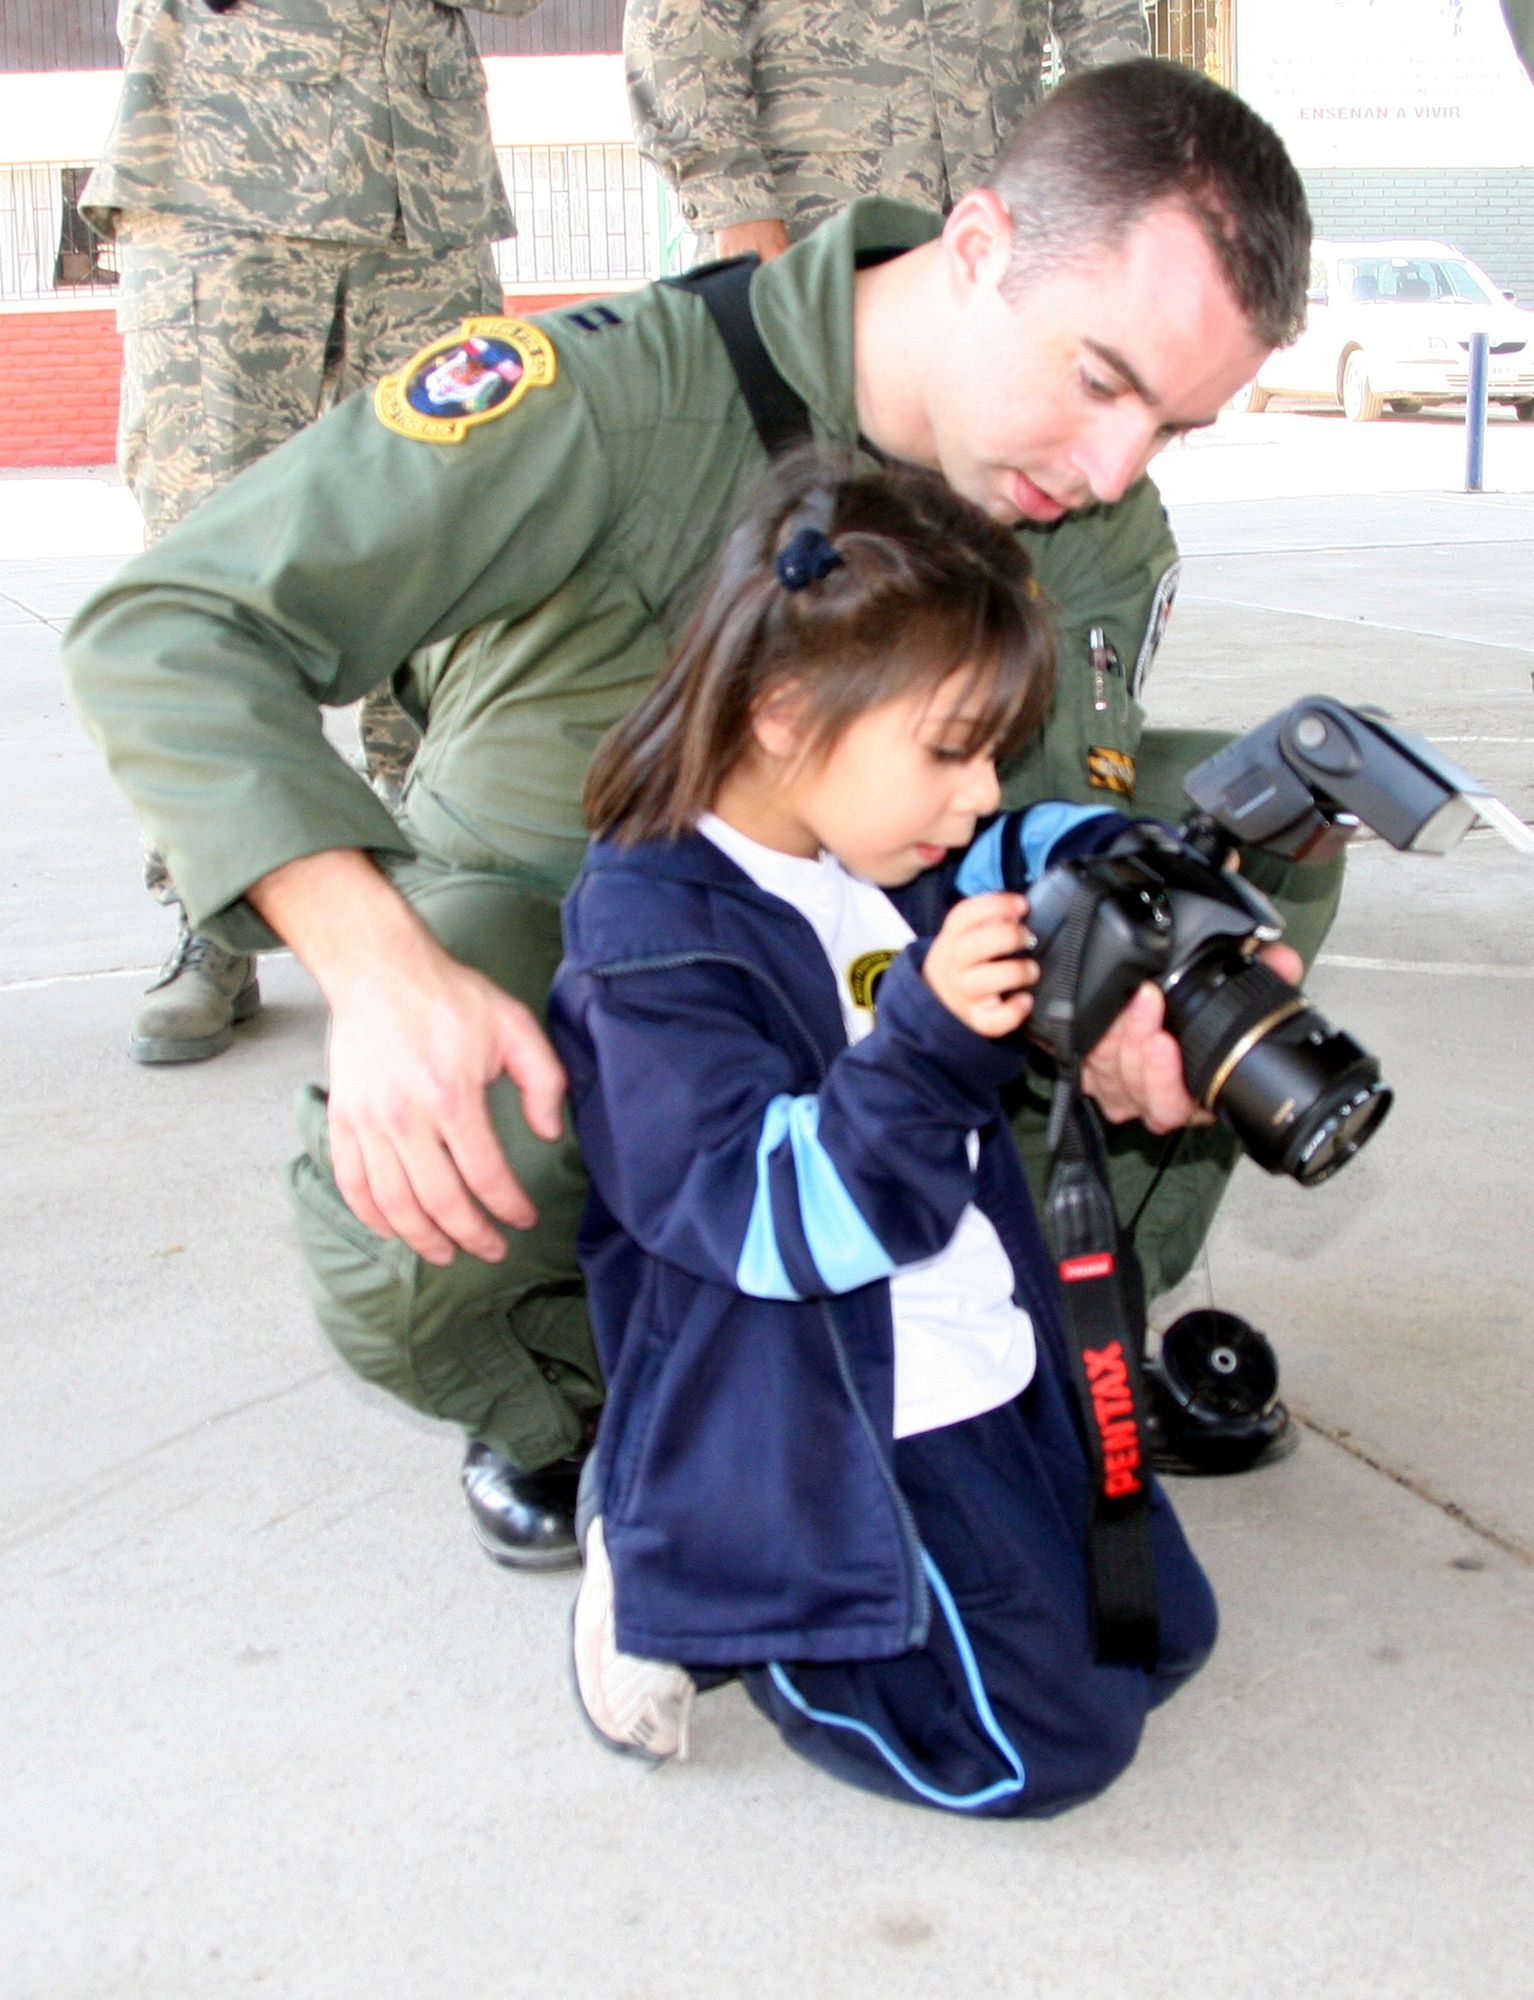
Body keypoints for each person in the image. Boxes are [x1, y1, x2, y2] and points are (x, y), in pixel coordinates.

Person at [62, 62, 1342, 1574]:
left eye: (1171, 429)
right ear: (982, 245)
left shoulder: (1094, 514)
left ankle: (1034, 1339)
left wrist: (1118, 998)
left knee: (1237, 842)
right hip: (610, 956)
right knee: (435, 1170)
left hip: (887, 967)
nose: (1114, 469)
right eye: (1103, 380)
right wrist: (374, 969)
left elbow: (1035, 818)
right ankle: (598, 1395)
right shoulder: (618, 399)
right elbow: (166, 626)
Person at [555, 451, 1237, 1806]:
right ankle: (702, 1581)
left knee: (1165, 1639)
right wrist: (927, 1043)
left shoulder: (875, 840)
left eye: (988, 749)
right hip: (821, 1399)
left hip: (975, 1334)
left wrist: (1140, 870)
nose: (976, 793)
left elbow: (1020, 844)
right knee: (1044, 1752)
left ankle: (728, 1553)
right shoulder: (650, 941)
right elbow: (768, 1220)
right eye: (948, 750)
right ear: (781, 711)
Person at [80, 0, 543, 1066]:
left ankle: (441, 880)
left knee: (449, 537)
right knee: (206, 551)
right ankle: (220, 901)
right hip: (220, 184)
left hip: (416, 201)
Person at [626, 0, 1150, 263]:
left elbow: (1103, 21)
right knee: (808, 465)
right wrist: (737, 214)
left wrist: (1100, 190)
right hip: (812, 243)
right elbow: (678, 29)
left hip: (1002, 233)